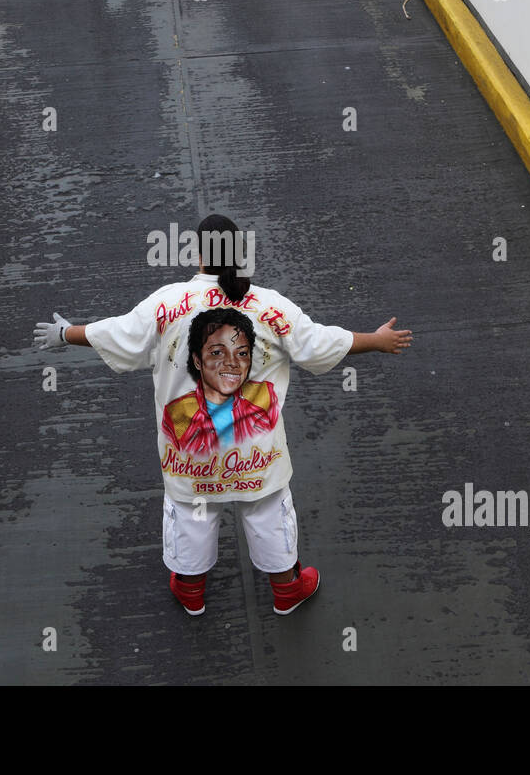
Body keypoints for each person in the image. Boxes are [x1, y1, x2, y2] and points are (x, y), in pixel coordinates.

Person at [33, 214, 411, 617]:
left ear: (198, 254)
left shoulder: (167, 303)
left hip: (190, 463)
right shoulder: (269, 305)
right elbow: (317, 344)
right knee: (267, 512)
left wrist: (65, 333)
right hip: (258, 461)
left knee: (192, 515)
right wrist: (376, 341)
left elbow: (119, 335)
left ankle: (191, 591)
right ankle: (287, 589)